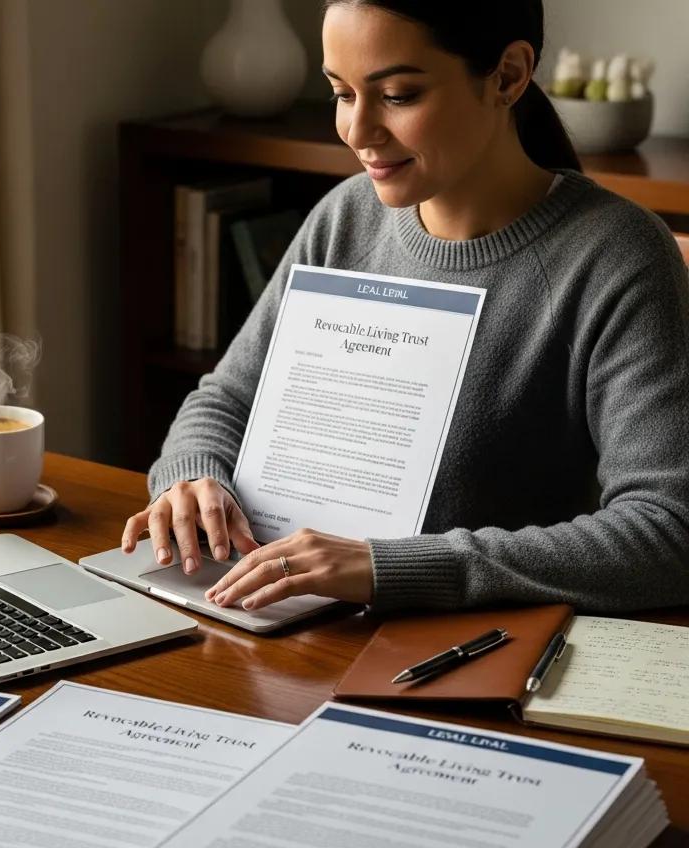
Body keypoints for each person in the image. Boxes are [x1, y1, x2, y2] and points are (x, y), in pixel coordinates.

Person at [122, 0, 689, 615]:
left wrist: (388, 567)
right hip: (271, 607)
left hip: (461, 651)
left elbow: (667, 533)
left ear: (507, 76)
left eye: (396, 95)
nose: (358, 133)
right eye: (341, 93)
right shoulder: (346, 217)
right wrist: (192, 477)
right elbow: (225, 398)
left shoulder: (616, 258)